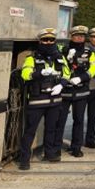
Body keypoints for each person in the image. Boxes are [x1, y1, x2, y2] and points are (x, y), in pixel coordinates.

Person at [19, 28, 71, 170]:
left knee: (51, 129)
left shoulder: (60, 57)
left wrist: (61, 85)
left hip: (55, 99)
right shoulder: (32, 58)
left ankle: (50, 153)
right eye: (45, 40)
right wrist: (39, 73)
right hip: (38, 99)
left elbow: (67, 74)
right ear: (40, 41)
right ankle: (24, 159)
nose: (48, 42)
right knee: (30, 130)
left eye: (51, 40)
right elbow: (25, 74)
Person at [55, 25, 95, 158]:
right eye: (76, 36)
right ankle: (56, 147)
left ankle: (76, 147)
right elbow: (57, 65)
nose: (79, 38)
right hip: (65, 91)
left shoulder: (89, 52)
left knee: (79, 120)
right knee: (60, 121)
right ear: (71, 36)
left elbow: (94, 67)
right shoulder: (63, 50)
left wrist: (82, 78)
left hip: (81, 91)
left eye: (82, 36)